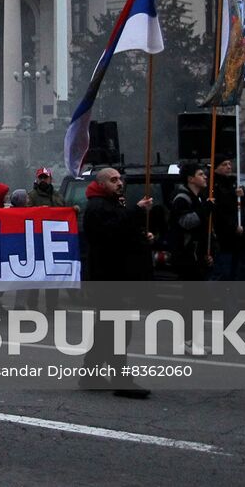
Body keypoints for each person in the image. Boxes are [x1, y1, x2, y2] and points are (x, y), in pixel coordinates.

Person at [79, 167, 153, 399]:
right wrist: (136, 211)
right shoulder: (96, 207)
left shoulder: (112, 204)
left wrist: (142, 235)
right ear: (101, 184)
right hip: (107, 275)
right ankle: (122, 380)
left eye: (120, 179)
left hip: (116, 274)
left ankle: (90, 373)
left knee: (106, 328)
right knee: (118, 328)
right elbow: (109, 233)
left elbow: (123, 232)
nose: (119, 183)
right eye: (113, 180)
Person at [169, 163, 214, 281]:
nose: (205, 177)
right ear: (190, 179)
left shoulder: (200, 198)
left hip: (199, 256)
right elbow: (186, 222)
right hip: (188, 257)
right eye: (200, 174)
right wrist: (205, 209)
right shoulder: (181, 199)